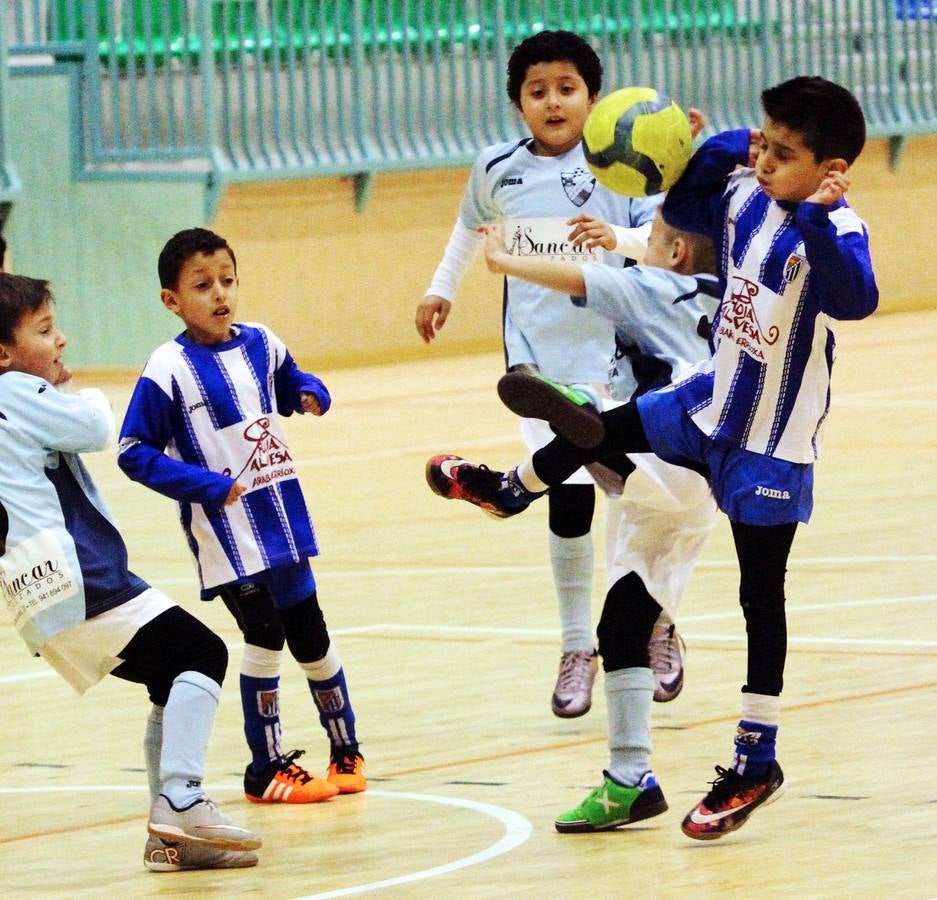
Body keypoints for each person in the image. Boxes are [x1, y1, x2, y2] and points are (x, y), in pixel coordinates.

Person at [425, 75, 878, 839]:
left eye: (785, 153)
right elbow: (683, 209)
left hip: (770, 443)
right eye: (762, 141)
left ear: (832, 169)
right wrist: (708, 145)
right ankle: (512, 487)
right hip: (704, 401)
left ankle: (754, 758)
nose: (764, 160)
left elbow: (855, 297)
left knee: (760, 598)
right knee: (598, 427)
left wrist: (820, 215)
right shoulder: (739, 192)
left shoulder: (837, 226)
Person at [415, 28, 687, 717]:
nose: (553, 101)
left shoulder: (620, 169)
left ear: (592, 98)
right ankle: (576, 648)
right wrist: (440, 288)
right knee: (566, 500)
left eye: (566, 88)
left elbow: (658, 250)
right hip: (537, 364)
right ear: (518, 104)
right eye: (537, 91)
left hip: (622, 359)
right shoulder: (496, 168)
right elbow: (467, 229)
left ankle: (654, 621)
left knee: (640, 499)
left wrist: (615, 241)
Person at [429, 209, 720, 831]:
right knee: (621, 626)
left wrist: (505, 262)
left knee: (597, 427)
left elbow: (582, 277)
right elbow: (648, 242)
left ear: (674, 252)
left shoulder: (651, 286)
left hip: (671, 448)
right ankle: (630, 779)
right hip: (699, 484)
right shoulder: (731, 293)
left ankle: (514, 485)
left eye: (659, 235)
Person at [0, 272, 261, 872]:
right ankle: (181, 800)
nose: (60, 340)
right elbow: (94, 427)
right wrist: (78, 392)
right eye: (44, 331)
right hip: (77, 577)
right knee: (201, 652)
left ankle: (171, 839)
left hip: (36, 593)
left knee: (170, 674)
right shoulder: (14, 391)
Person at [117, 228, 366, 807]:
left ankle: (345, 746)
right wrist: (202, 484)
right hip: (227, 537)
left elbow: (289, 382)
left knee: (312, 637)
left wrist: (311, 390)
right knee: (264, 634)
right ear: (171, 301)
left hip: (282, 521)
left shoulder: (261, 343)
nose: (220, 294)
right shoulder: (167, 368)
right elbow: (133, 452)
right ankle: (267, 765)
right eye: (202, 286)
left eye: (227, 280)